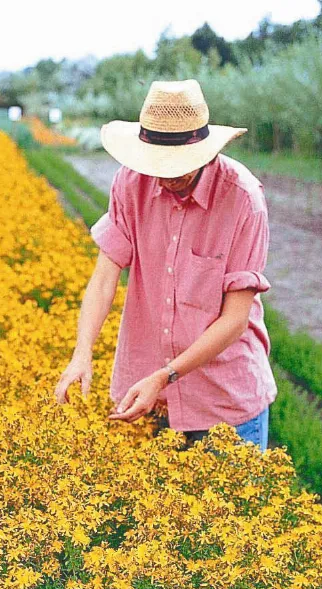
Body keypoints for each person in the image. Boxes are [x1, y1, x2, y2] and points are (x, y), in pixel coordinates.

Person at [54, 79, 276, 451]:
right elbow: (105, 276)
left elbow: (235, 319)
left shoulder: (243, 199)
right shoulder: (130, 182)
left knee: (227, 508)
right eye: (159, 165)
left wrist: (166, 375)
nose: (169, 176)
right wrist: (82, 352)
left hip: (225, 400)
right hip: (151, 397)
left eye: (180, 166)